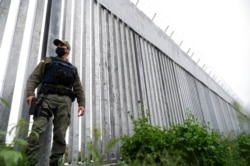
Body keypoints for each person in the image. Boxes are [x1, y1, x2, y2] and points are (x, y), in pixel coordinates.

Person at [25, 39, 85, 166]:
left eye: (61, 45)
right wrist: (30, 93)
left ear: (67, 50)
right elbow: (34, 77)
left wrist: (82, 104)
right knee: (38, 129)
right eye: (58, 45)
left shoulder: (73, 69)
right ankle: (30, 162)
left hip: (65, 102)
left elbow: (78, 87)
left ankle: (55, 163)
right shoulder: (48, 61)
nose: (58, 47)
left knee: (60, 134)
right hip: (46, 98)